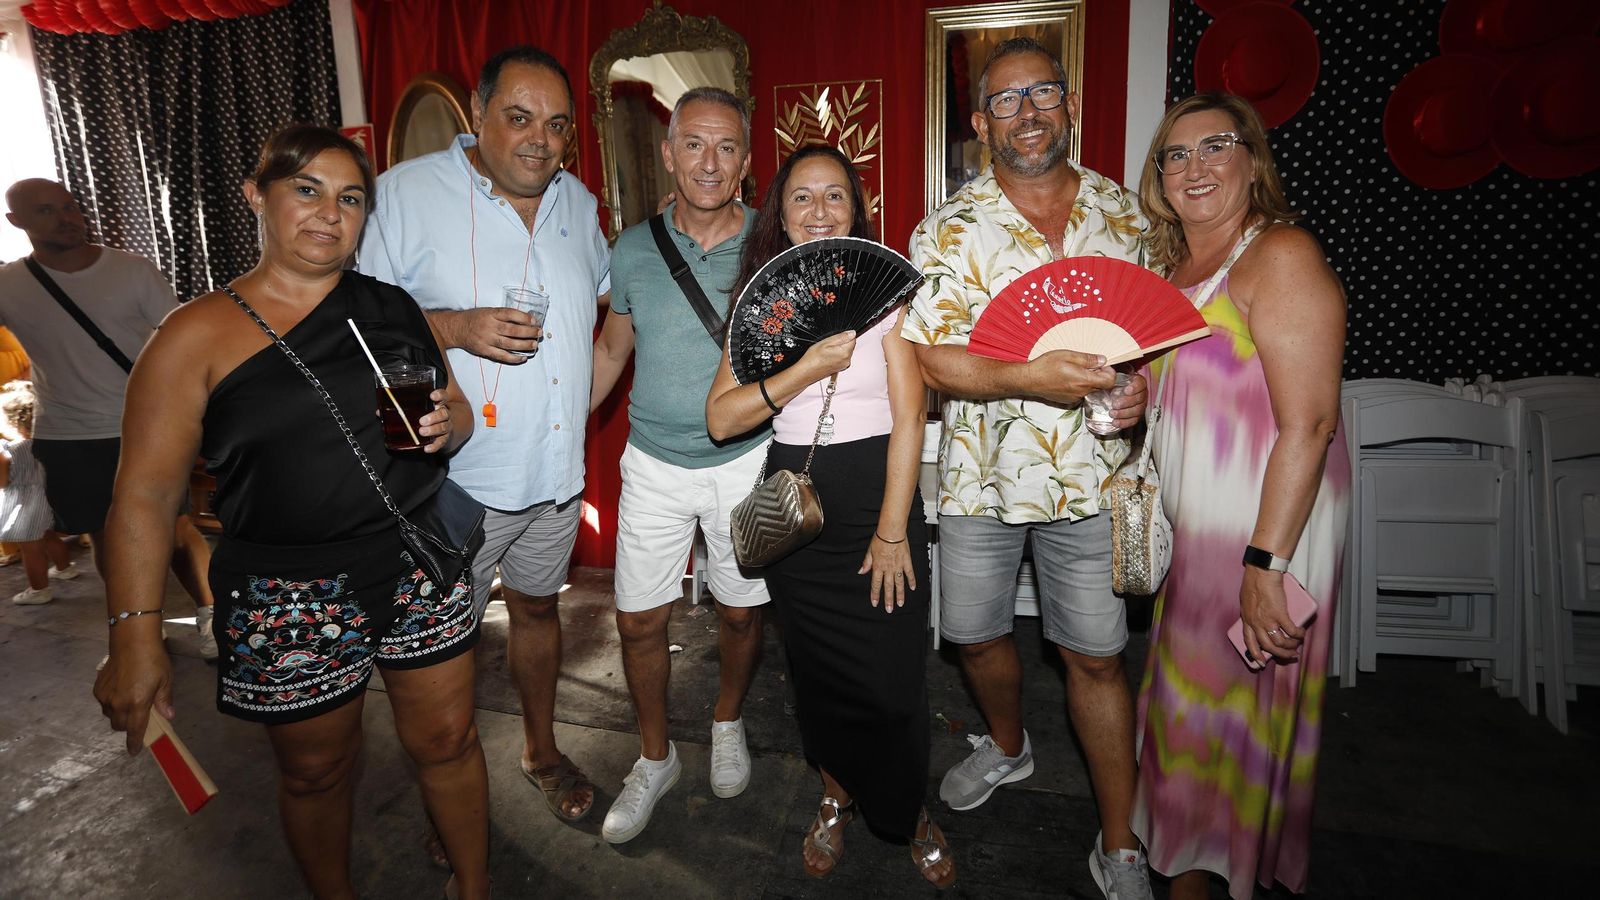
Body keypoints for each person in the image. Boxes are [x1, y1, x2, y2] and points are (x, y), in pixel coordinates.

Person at [93, 124, 489, 900]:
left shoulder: (391, 305)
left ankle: (473, 888)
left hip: (415, 560)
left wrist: (455, 420)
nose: (328, 213)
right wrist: (134, 635)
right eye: (306, 190)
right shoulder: (193, 334)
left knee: (448, 739)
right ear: (257, 196)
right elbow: (143, 493)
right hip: (288, 591)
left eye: (349, 199)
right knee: (316, 770)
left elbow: (456, 407)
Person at [902, 37, 1153, 900]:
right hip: (984, 477)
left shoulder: (1126, 217)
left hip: (1095, 477)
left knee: (1094, 658)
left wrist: (1143, 390)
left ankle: (1119, 844)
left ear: (1070, 103)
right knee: (974, 634)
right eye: (1006, 101)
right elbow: (935, 362)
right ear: (979, 124)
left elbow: (1153, 343)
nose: (1028, 112)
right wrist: (1027, 378)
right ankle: (1009, 746)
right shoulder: (947, 228)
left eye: (1043, 93)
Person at [360, 44, 610, 833]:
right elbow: (357, 325)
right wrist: (462, 328)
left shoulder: (580, 203)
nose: (541, 139)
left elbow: (601, 312)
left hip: (555, 477)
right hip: (453, 482)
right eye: (519, 116)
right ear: (477, 113)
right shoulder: (403, 196)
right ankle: (452, 804)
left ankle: (540, 752)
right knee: (444, 648)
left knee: (539, 615)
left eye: (557, 125)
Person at [705, 144, 956, 887]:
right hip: (799, 512)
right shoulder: (764, 304)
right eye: (802, 199)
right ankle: (835, 798)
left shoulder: (887, 298)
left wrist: (890, 529)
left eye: (835, 196)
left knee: (893, 680)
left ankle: (908, 809)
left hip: (881, 502)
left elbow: (910, 419)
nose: (820, 212)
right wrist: (806, 367)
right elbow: (721, 419)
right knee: (817, 679)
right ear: (779, 218)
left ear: (857, 208)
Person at [1130, 93, 1350, 900]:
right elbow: (1180, 397)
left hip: (1266, 529)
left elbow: (1313, 421)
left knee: (1224, 710)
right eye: (1176, 155)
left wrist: (1265, 564)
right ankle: (1197, 862)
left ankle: (1201, 872)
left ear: (1252, 159)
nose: (1195, 168)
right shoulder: (1173, 270)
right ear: (1159, 179)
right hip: (1199, 537)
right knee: (1196, 710)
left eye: (1215, 147)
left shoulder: (1280, 255)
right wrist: (1132, 403)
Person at [589, 86, 770, 844]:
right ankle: (655, 756)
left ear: (747, 162)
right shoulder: (631, 248)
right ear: (667, 153)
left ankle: (727, 720)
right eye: (693, 143)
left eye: (726, 147)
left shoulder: (772, 239)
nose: (709, 161)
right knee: (637, 621)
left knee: (738, 610)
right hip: (655, 463)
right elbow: (610, 350)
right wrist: (557, 437)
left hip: (749, 460)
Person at [0, 178, 218, 658]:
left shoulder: (132, 270)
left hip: (149, 424)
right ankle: (137, 630)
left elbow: (184, 342)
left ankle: (210, 616)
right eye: (46, 211)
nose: (66, 218)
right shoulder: (10, 285)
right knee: (103, 534)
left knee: (176, 526)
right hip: (69, 433)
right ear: (16, 222)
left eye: (69, 206)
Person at [1, 380, 81, 603]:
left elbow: (2, 482)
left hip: (22, 506)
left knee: (30, 549)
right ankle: (65, 568)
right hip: (44, 499)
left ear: (12, 421)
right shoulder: (44, 443)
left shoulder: (8, 450)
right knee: (48, 536)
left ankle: (39, 590)